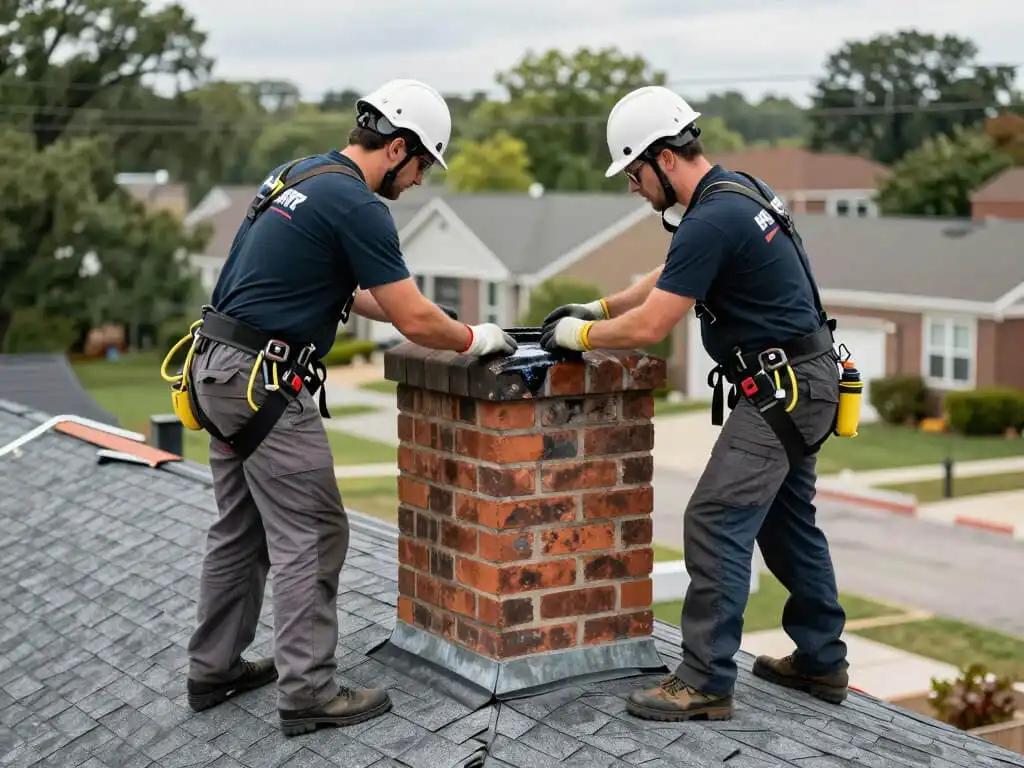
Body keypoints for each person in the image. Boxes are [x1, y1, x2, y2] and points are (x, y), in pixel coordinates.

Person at [182, 78, 517, 736]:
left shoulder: (299, 175)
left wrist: (429, 318)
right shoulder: (359, 205)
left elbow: (347, 291)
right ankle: (307, 691)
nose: (419, 180)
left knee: (242, 529)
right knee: (313, 531)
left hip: (217, 368)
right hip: (263, 382)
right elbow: (412, 316)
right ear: (396, 148)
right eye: (421, 164)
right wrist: (475, 337)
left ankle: (213, 668)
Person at [540, 85, 850, 722]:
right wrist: (598, 307)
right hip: (806, 381)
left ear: (663, 158)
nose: (632, 186)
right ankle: (823, 662)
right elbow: (671, 272)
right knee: (789, 526)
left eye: (633, 171)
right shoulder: (738, 192)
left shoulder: (714, 216)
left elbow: (656, 322)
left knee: (715, 519)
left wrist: (581, 336)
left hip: (782, 390)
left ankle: (705, 680)